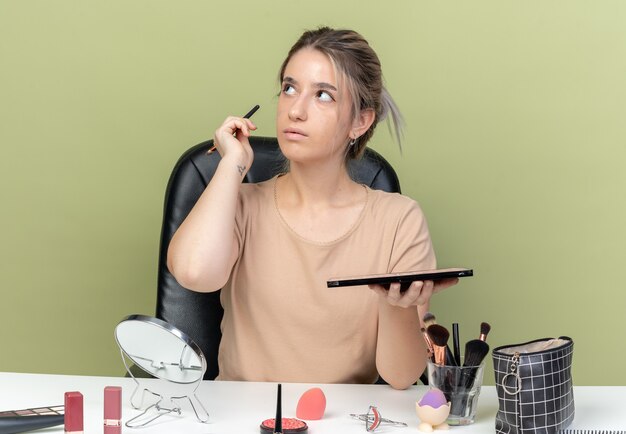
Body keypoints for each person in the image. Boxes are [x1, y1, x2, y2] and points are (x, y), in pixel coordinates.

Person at [167, 27, 457, 389]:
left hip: (345, 420)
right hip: (240, 417)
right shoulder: (239, 205)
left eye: (323, 95)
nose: (296, 110)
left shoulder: (399, 219)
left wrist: (399, 308)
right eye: (289, 88)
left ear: (360, 121)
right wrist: (231, 165)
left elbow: (401, 377)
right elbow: (194, 273)